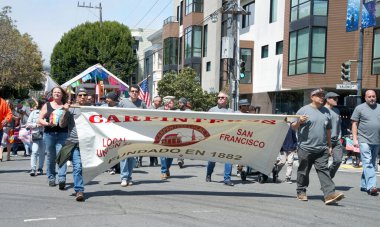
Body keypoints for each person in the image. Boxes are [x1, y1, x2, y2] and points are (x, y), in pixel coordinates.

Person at [291, 88, 344, 205]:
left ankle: (329, 194)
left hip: (321, 148)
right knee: (303, 171)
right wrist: (299, 121)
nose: (321, 97)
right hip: (305, 148)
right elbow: (293, 126)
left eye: (322, 95)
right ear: (312, 97)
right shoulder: (303, 110)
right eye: (319, 95)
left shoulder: (326, 112)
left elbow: (328, 130)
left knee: (324, 170)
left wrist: (329, 145)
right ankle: (301, 191)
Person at [57, 87, 87, 201]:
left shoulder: (91, 109)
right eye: (80, 95)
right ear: (76, 97)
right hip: (74, 143)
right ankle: (79, 190)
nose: (82, 97)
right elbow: (61, 124)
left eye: (84, 95)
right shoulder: (71, 109)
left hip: (88, 143)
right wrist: (65, 111)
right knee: (77, 166)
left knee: (87, 167)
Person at [38, 86, 69, 189]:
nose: (57, 94)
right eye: (55, 92)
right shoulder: (47, 105)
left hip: (63, 134)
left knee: (62, 156)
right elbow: (40, 119)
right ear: (52, 94)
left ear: (62, 94)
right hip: (49, 134)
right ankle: (51, 177)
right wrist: (47, 123)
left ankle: (61, 179)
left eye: (59, 92)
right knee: (51, 157)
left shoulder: (66, 106)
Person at [351, 90, 380, 196]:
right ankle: (372, 186)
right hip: (364, 139)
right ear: (365, 98)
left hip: (377, 140)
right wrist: (355, 139)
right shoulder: (359, 108)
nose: (372, 98)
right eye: (369, 97)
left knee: (371, 163)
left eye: (373, 96)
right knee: (367, 162)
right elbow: (354, 124)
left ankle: (364, 185)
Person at [118, 85, 147, 187]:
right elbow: (116, 115)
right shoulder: (123, 102)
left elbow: (147, 117)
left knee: (132, 157)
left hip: (136, 133)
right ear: (129, 92)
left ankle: (129, 177)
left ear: (138, 93)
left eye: (136, 91)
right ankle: (124, 178)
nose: (134, 93)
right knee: (124, 156)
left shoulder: (142, 103)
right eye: (132, 91)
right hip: (124, 133)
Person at [206, 91, 234, 186]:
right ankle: (209, 174)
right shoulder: (212, 110)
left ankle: (227, 179)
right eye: (219, 97)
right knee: (212, 160)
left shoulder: (231, 111)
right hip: (214, 138)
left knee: (229, 158)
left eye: (222, 97)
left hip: (227, 139)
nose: (220, 99)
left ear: (227, 100)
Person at [324, 92, 343, 179]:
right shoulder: (322, 110)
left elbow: (338, 125)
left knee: (338, 160)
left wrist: (339, 137)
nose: (336, 100)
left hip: (336, 140)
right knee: (323, 163)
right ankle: (326, 182)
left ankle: (328, 178)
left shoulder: (337, 111)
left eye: (337, 98)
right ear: (327, 99)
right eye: (334, 98)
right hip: (325, 141)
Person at [26, 100, 46, 176]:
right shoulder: (34, 113)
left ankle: (40, 168)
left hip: (45, 135)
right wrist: (36, 125)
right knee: (34, 151)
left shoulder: (48, 113)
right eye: (44, 105)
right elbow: (28, 124)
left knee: (42, 153)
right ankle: (33, 169)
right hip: (35, 134)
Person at [160, 96, 176, 180]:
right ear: (168, 103)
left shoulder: (176, 111)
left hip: (172, 135)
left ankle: (167, 168)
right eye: (173, 101)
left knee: (171, 154)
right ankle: (163, 171)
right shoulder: (160, 110)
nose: (174, 103)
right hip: (162, 135)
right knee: (162, 153)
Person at [176, 97, 191, 168]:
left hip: (186, 131)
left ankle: (181, 159)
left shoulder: (189, 112)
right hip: (177, 131)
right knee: (179, 146)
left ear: (184, 103)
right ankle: (180, 159)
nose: (179, 104)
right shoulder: (176, 111)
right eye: (179, 102)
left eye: (181, 102)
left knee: (183, 147)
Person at [149, 96, 161, 166]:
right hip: (150, 129)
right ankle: (151, 160)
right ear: (155, 101)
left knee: (156, 145)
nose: (160, 103)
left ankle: (155, 159)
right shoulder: (149, 108)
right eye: (159, 101)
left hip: (157, 129)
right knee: (151, 145)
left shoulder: (160, 109)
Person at [0, 97, 13, 161]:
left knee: (10, 142)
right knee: (2, 142)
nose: (8, 104)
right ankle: (1, 155)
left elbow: (17, 119)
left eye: (9, 103)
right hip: (4, 129)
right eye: (7, 102)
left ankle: (8, 155)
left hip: (11, 130)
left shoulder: (13, 111)